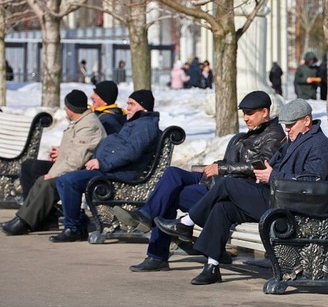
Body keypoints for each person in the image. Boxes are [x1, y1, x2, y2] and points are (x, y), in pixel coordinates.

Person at [154, 98, 328, 285]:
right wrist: (263, 171)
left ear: (307, 120)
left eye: (291, 125)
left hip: (291, 207)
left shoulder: (319, 145)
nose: (287, 129)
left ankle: (186, 222)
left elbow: (313, 182)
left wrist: (272, 176)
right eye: (285, 125)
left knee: (227, 184)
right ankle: (212, 266)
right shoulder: (293, 139)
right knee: (223, 207)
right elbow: (275, 165)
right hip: (274, 196)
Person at [117, 91, 286, 272]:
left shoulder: (273, 136)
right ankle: (146, 215)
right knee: (172, 174)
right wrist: (216, 166)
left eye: (250, 113)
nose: (245, 118)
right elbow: (235, 162)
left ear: (265, 112)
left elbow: (258, 168)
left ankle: (157, 254)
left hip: (230, 191)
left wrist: (221, 169)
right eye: (244, 113)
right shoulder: (252, 133)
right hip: (218, 181)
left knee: (171, 196)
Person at [51, 90, 160, 243]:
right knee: (68, 179)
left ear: (144, 107)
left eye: (132, 104)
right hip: (113, 170)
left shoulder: (144, 126)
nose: (127, 107)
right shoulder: (137, 122)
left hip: (122, 175)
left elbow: (131, 152)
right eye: (128, 103)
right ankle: (77, 223)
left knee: (68, 181)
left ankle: (73, 228)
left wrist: (102, 163)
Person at [1, 90, 106, 236]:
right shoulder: (79, 121)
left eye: (66, 106)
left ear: (71, 109)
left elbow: (76, 161)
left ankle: (24, 221)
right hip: (70, 165)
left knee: (46, 182)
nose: (64, 109)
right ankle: (39, 218)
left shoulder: (88, 126)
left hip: (80, 170)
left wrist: (53, 173)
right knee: (31, 167)